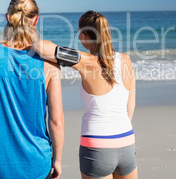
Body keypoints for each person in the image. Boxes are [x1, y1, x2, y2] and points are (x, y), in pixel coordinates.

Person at [0, 0, 64, 179]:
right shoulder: (50, 65)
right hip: (37, 164)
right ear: (36, 20)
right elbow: (56, 120)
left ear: (7, 18)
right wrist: (57, 159)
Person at [33, 10, 138, 179]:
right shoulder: (126, 60)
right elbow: (130, 105)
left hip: (97, 146)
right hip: (126, 141)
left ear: (83, 35)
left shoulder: (84, 61)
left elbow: (40, 47)